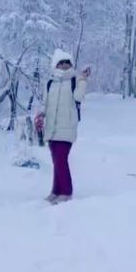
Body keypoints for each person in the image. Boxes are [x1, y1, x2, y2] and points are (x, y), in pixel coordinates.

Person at [42, 49, 90, 204]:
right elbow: (45, 103)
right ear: (55, 64)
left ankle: (67, 192)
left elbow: (78, 97)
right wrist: (40, 115)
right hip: (52, 127)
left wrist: (83, 79)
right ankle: (56, 191)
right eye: (61, 63)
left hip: (67, 127)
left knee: (61, 159)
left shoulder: (75, 81)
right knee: (56, 160)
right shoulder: (50, 83)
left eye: (67, 63)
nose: (64, 66)